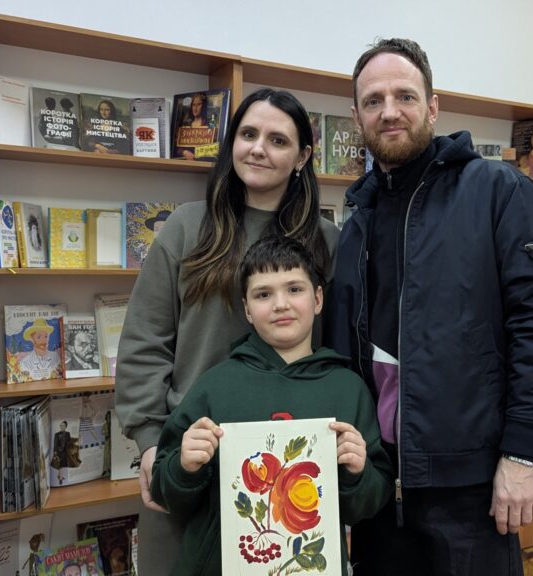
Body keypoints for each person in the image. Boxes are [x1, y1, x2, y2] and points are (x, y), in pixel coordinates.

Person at [327, 38, 533, 575]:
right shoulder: (358, 218)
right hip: (378, 485)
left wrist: (523, 453)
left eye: (405, 96)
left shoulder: (498, 190)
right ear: (356, 116)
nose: (389, 111)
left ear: (433, 107)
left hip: (470, 488)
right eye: (373, 101)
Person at [115, 87, 340, 576]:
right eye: (248, 134)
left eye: (278, 140)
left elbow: (335, 354)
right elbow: (144, 342)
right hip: (190, 457)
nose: (259, 148)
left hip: (287, 467)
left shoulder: (326, 241)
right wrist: (151, 443)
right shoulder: (186, 227)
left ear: (302, 157)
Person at [149, 236, 392, 575]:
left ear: (318, 299)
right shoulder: (214, 386)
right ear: (247, 309)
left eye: (294, 289)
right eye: (263, 294)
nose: (280, 304)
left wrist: (357, 473)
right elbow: (164, 491)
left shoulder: (348, 389)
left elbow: (368, 503)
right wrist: (184, 466)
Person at [52, 420, 72, 485]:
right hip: (59, 452)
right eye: (61, 425)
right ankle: (60, 479)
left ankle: (60, 475)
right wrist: (55, 452)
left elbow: (69, 442)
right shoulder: (57, 434)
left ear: (66, 426)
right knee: (60, 465)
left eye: (63, 425)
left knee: (62, 465)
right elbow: (55, 444)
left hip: (65, 452)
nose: (62, 426)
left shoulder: (68, 433)